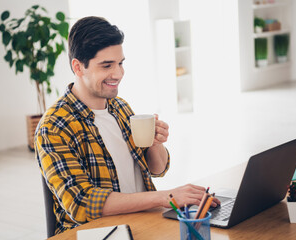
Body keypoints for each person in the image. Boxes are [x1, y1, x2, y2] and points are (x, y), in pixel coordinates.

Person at [35, 16, 219, 235]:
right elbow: (81, 203)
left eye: (120, 63)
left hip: (145, 222)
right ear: (78, 66)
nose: (119, 74)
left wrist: (155, 144)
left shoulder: (120, 107)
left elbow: (157, 169)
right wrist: (167, 197)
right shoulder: (53, 128)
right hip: (99, 233)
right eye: (107, 65)